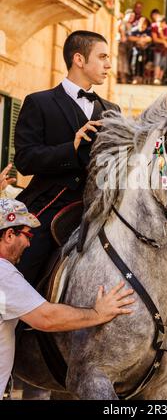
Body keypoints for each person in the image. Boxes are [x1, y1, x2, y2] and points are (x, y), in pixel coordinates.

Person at [14, 30, 120, 287]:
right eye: (103, 56)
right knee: (23, 270)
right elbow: (25, 161)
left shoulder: (113, 110)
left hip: (99, 207)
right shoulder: (39, 102)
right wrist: (70, 148)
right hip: (50, 205)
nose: (109, 64)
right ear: (79, 59)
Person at [0, 198, 135, 400]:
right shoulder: (3, 274)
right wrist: (97, 313)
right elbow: (46, 318)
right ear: (10, 234)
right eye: (27, 234)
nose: (29, 243)